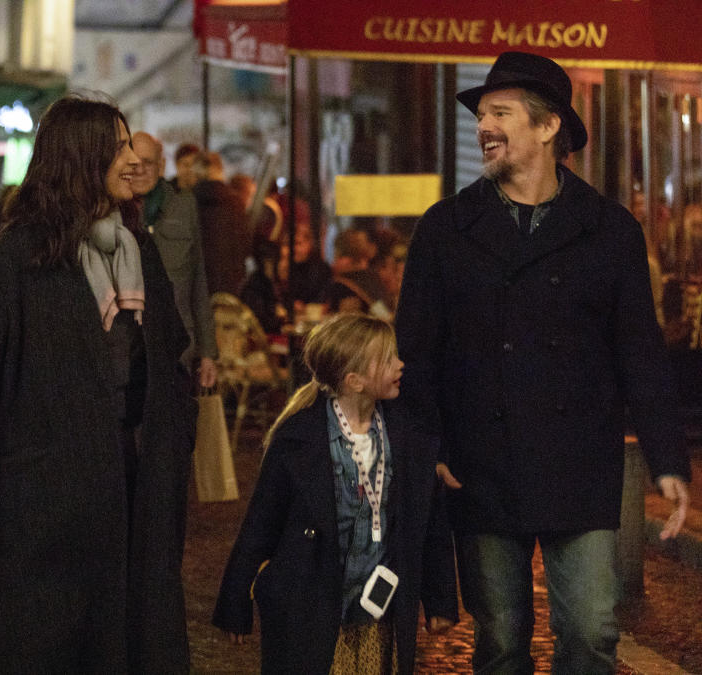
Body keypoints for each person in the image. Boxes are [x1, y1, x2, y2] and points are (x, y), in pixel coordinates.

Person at [396, 51, 692, 674]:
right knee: (500, 641)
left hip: (577, 462)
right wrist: (431, 445)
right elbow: (416, 352)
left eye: (500, 113)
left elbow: (639, 350)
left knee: (590, 633)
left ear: (548, 126)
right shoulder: (445, 228)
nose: (484, 127)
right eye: (481, 116)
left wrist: (668, 460)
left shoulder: (609, 230)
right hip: (480, 463)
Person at [0, 97, 196, 673]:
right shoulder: (20, 255)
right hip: (48, 489)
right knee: (52, 636)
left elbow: (170, 355)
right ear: (83, 157)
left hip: (135, 478)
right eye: (121, 147)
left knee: (134, 631)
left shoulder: (139, 249)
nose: (135, 161)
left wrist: (174, 444)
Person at [213, 312, 458, 673]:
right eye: (388, 359)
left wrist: (439, 601)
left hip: (379, 618)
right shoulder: (297, 439)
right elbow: (261, 524)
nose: (400, 364)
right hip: (311, 610)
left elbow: (426, 524)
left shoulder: (407, 438)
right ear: (354, 380)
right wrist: (235, 602)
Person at [130, 131, 217, 387]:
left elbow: (198, 279)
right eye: (134, 163)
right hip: (130, 349)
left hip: (178, 347)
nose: (141, 170)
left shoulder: (183, 206)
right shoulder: (111, 211)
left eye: (148, 162)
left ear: (161, 165)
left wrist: (207, 352)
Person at [192, 151, 253, 296]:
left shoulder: (188, 201)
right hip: (230, 282)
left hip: (198, 283)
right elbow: (244, 244)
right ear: (220, 170)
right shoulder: (235, 202)